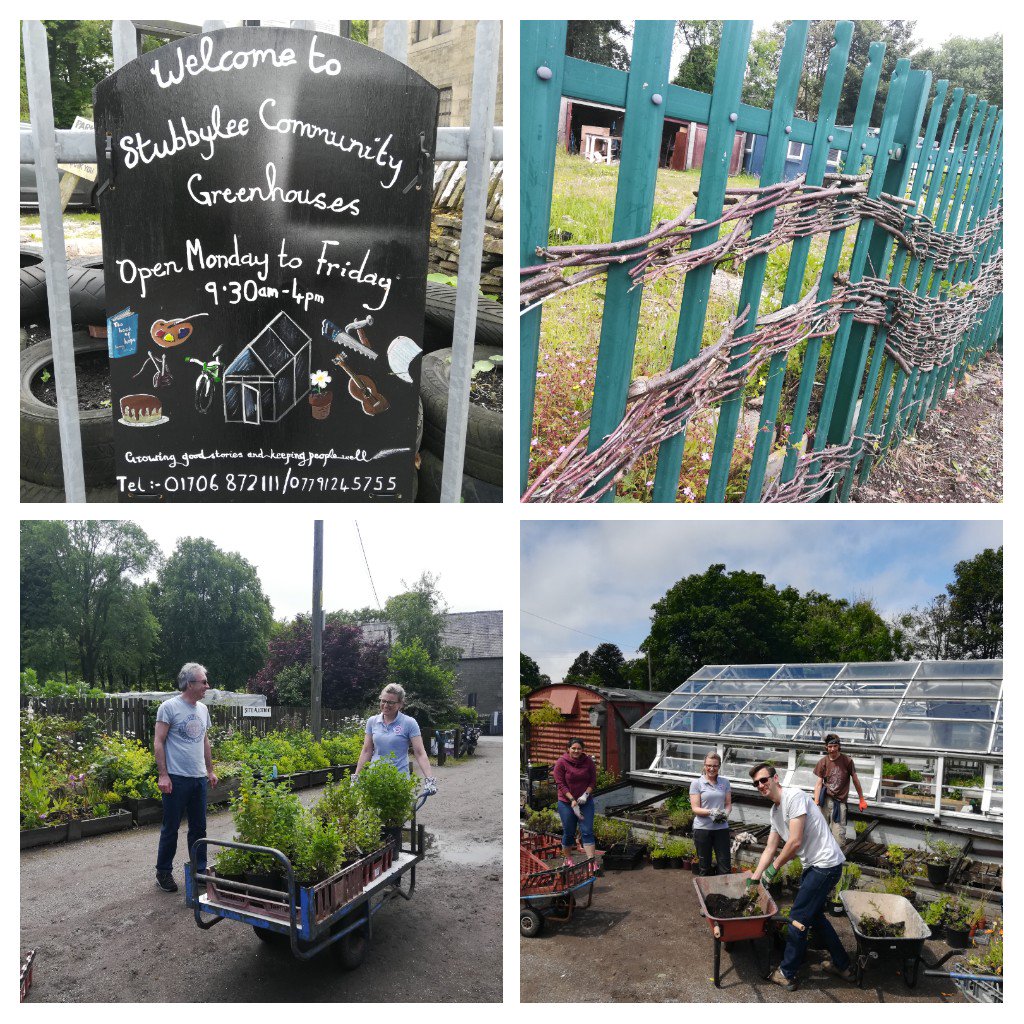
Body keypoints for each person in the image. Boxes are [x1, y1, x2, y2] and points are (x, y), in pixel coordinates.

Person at [748, 762, 855, 991]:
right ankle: (843, 965)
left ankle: (787, 972)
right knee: (814, 916)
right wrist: (755, 878)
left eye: (764, 779)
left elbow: (794, 842)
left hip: (825, 865)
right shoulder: (775, 811)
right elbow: (770, 848)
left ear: (775, 778)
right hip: (813, 866)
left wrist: (773, 869)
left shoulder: (794, 797)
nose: (761, 785)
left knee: (798, 916)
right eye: (756, 783)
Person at [153, 663, 218, 893]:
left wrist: (209, 770)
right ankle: (163, 872)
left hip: (198, 778)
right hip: (176, 779)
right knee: (170, 828)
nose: (207, 686)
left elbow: (204, 740)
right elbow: (158, 741)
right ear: (190, 684)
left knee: (199, 829)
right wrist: (163, 774)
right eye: (203, 682)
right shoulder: (169, 707)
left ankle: (199, 872)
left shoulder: (202, 710)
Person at [355, 683, 436, 791]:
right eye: (383, 701)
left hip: (399, 780)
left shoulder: (409, 723)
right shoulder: (372, 721)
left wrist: (429, 779)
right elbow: (366, 751)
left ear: (400, 704)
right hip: (375, 779)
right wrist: (357, 776)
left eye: (391, 702)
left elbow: (420, 753)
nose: (385, 705)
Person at [813, 734, 867, 847]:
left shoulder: (847, 761)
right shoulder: (823, 762)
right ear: (826, 747)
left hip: (840, 802)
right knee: (819, 831)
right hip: (825, 801)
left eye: (835, 746)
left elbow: (855, 780)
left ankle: (839, 860)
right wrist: (816, 802)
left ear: (839, 746)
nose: (832, 749)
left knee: (839, 836)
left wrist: (861, 799)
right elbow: (818, 784)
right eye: (830, 746)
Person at [552, 737, 597, 866]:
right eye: (574, 748)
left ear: (582, 750)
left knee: (587, 830)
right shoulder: (561, 762)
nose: (576, 751)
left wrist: (585, 795)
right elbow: (560, 783)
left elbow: (592, 781)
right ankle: (568, 859)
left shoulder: (588, 761)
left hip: (585, 802)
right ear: (568, 749)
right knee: (569, 832)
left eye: (579, 748)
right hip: (566, 803)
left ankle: (591, 862)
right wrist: (572, 799)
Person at [689, 751, 732, 875]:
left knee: (725, 865)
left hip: (721, 828)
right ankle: (707, 893)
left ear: (719, 766)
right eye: (709, 765)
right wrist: (711, 812)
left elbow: (728, 804)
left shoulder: (725, 782)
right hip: (703, 829)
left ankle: (724, 893)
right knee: (704, 866)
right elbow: (695, 808)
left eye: (715, 766)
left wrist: (726, 813)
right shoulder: (696, 783)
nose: (711, 769)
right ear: (704, 765)